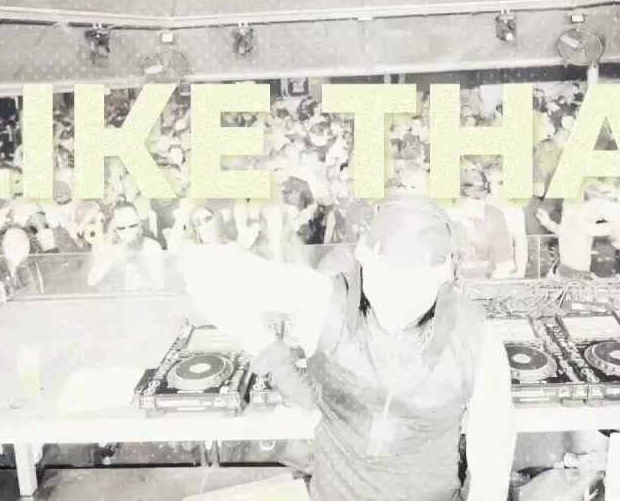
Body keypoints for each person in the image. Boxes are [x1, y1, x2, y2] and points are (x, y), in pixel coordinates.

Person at [181, 196, 514, 501]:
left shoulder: (479, 341)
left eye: (414, 287)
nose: (397, 301)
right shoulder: (326, 300)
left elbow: (491, 473)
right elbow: (199, 270)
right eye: (386, 280)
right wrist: (272, 355)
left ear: (442, 280)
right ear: (364, 264)